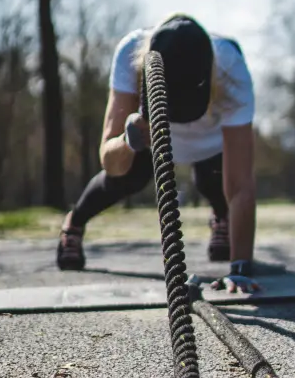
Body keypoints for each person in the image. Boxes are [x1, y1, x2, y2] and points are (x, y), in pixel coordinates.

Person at [57, 14, 260, 291]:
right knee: (128, 177)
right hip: (149, 132)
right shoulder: (130, 55)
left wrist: (240, 270)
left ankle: (222, 221)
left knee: (214, 180)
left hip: (212, 140)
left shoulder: (231, 67)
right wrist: (130, 141)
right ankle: (75, 223)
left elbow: (240, 186)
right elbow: (109, 160)